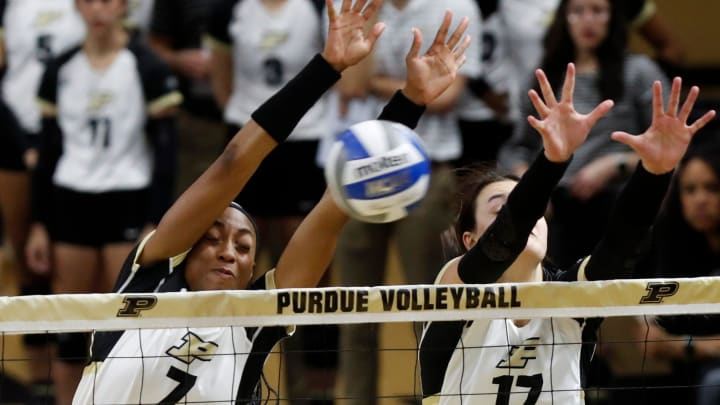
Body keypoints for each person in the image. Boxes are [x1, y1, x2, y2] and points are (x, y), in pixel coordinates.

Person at [71, 0, 472, 402]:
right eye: (212, 239)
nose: (229, 252)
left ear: (252, 273)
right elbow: (231, 165)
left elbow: (337, 203)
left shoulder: (255, 322)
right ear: (183, 252)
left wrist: (411, 102)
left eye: (244, 247)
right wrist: (326, 68)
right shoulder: (151, 279)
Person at [418, 62, 716, 404]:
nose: (527, 219)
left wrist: (655, 173)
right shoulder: (454, 288)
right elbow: (504, 242)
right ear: (469, 241)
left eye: (533, 211)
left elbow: (620, 250)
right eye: (501, 208)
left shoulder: (569, 299)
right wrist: (552, 160)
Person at [24, 0, 182, 403]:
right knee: (70, 326)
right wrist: (40, 223)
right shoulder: (60, 69)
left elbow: (167, 152)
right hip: (71, 200)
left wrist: (156, 219)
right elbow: (48, 152)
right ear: (77, 7)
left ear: (124, 6)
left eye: (108, 0)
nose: (99, 9)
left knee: (125, 323)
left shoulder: (147, 67)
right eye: (89, 0)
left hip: (128, 201)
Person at [498, 0, 670, 269]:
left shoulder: (639, 71)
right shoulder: (545, 76)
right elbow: (516, 148)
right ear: (564, 19)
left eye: (598, 10)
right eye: (578, 11)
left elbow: (668, 151)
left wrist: (615, 164)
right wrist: (529, 186)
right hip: (555, 205)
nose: (588, 20)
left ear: (612, 18)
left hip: (618, 202)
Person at [0, 0, 84, 401]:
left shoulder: (86, 7)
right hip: (16, 141)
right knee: (28, 263)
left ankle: (69, 383)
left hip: (76, 143)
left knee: (69, 264)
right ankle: (35, 380)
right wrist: (21, 144)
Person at [627, 143, 720, 405]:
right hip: (685, 372)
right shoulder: (670, 244)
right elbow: (652, 334)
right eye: (689, 190)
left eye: (712, 188)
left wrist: (682, 346)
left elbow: (670, 343)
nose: (700, 199)